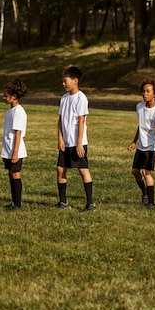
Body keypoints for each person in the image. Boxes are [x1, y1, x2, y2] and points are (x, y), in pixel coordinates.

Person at [56, 66, 95, 212]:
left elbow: (81, 122)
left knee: (82, 169)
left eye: (65, 81)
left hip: (78, 143)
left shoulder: (81, 98)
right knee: (60, 169)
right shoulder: (64, 98)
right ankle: (62, 201)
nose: (63, 84)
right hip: (66, 143)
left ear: (75, 81)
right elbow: (60, 121)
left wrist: (79, 144)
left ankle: (90, 203)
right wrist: (60, 139)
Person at [127, 78, 155, 209]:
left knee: (146, 172)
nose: (145, 94)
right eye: (143, 91)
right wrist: (134, 141)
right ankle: (145, 194)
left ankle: (151, 203)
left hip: (151, 148)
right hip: (141, 146)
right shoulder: (139, 107)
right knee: (135, 171)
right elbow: (141, 126)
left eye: (148, 91)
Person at [0, 79, 28, 211]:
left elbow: (18, 134)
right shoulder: (9, 111)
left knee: (16, 174)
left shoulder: (18, 112)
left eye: (6, 95)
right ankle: (13, 201)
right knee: (11, 174)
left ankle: (17, 203)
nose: (3, 98)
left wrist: (15, 152)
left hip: (15, 150)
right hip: (8, 149)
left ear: (14, 96)